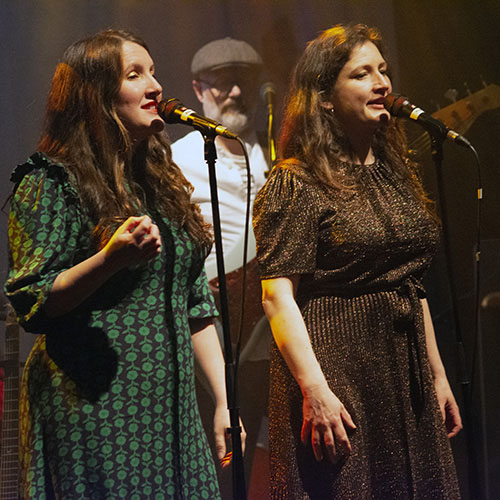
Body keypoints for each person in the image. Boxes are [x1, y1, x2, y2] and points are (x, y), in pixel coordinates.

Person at [4, 29, 233, 499]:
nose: (155, 86)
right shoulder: (51, 181)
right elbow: (35, 301)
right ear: (96, 96)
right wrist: (109, 261)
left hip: (171, 409)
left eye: (154, 72)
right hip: (94, 406)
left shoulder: (159, 183)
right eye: (135, 75)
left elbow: (193, 304)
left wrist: (225, 400)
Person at [253, 24, 462, 499]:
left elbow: (411, 282)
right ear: (325, 98)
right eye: (362, 74)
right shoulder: (297, 182)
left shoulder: (394, 174)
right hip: (337, 365)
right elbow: (277, 296)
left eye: (383, 71)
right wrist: (314, 390)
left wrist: (437, 375)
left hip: (402, 368)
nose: (381, 83)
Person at [171, 38, 271, 496]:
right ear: (197, 89)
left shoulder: (275, 151)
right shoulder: (181, 156)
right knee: (224, 439)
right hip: (213, 317)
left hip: (270, 317)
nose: (234, 93)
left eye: (244, 82)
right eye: (222, 83)